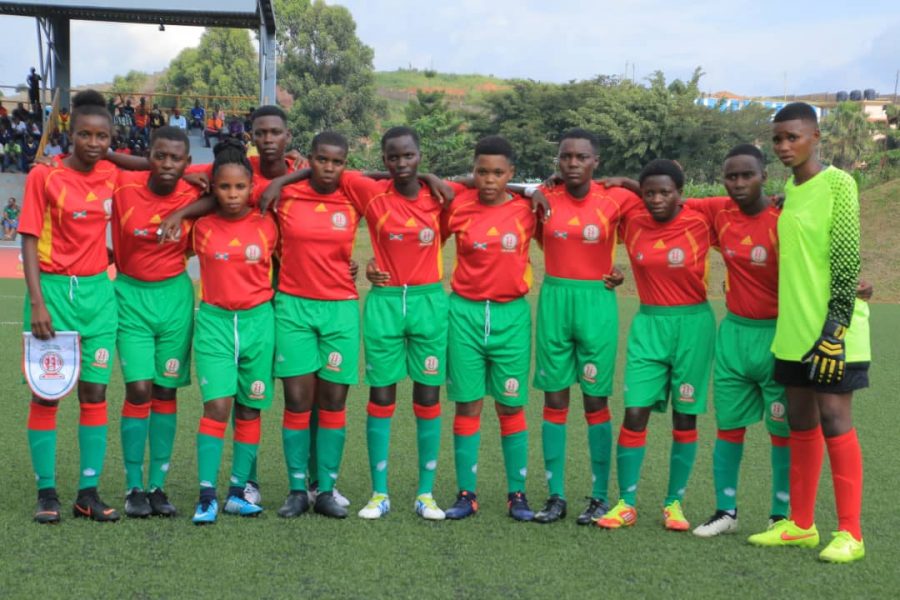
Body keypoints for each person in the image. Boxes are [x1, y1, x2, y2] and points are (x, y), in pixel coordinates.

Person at [747, 102, 870, 563]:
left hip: (833, 330)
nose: (783, 146)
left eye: (793, 137)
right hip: (794, 330)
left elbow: (846, 259)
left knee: (835, 420)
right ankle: (800, 525)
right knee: (800, 423)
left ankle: (851, 534)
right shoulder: (790, 191)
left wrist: (835, 329)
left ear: (815, 137)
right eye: (777, 139)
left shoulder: (839, 183)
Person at [522, 129, 638, 525]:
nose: (572, 163)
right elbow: (499, 188)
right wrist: (533, 188)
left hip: (596, 303)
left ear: (595, 162)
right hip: (555, 300)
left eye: (581, 157)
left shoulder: (614, 197)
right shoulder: (544, 197)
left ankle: (599, 497)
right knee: (554, 401)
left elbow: (663, 192)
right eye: (566, 156)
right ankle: (555, 496)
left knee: (595, 401)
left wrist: (624, 179)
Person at [596, 159, 715, 532]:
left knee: (685, 415)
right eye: (649, 192)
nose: (657, 199)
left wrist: (778, 199)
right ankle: (626, 503)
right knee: (635, 412)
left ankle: (673, 504)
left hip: (693, 326)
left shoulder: (701, 219)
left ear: (681, 194)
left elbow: (747, 206)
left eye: (666, 192)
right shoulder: (633, 220)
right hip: (648, 325)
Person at [20, 89, 120, 523]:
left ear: (111, 139)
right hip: (54, 294)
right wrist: (38, 302)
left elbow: (155, 167)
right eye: (85, 134)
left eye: (102, 136)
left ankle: (87, 493)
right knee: (47, 394)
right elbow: (27, 239)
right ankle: (46, 493)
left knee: (95, 393)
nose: (93, 143)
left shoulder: (113, 173)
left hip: (99, 297)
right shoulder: (44, 176)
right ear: (70, 133)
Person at [429, 135, 537, 521]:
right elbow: (426, 240)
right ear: (473, 172)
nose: (489, 180)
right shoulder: (458, 206)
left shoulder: (528, 210)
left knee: (511, 405)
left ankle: (517, 494)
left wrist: (531, 191)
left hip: (511, 316)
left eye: (498, 173)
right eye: (482, 172)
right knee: (468, 403)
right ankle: (466, 494)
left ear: (511, 174)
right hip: (465, 315)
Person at [110, 126, 200, 518]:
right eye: (159, 155)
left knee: (165, 391)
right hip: (131, 297)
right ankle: (133, 486)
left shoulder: (195, 190)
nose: (167, 164)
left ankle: (157, 486)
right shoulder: (123, 186)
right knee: (138, 389)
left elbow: (237, 181)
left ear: (187, 162)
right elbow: (89, 164)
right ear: (148, 156)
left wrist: (182, 212)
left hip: (175, 300)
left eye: (176, 158)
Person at [269, 131, 360, 519]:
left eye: (337, 162)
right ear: (310, 159)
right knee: (297, 401)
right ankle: (296, 490)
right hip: (293, 307)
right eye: (322, 160)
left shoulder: (353, 194)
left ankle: (325, 489)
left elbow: (396, 177)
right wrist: (289, 177)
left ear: (345, 165)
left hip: (340, 310)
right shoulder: (287, 194)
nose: (329, 168)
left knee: (333, 402)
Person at [189, 139, 278, 524]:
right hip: (215, 323)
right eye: (224, 187)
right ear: (213, 188)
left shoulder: (268, 223)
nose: (232, 194)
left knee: (250, 406)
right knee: (217, 406)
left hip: (259, 323)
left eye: (240, 186)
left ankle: (238, 492)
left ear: (251, 187)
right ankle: (207, 495)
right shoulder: (201, 227)